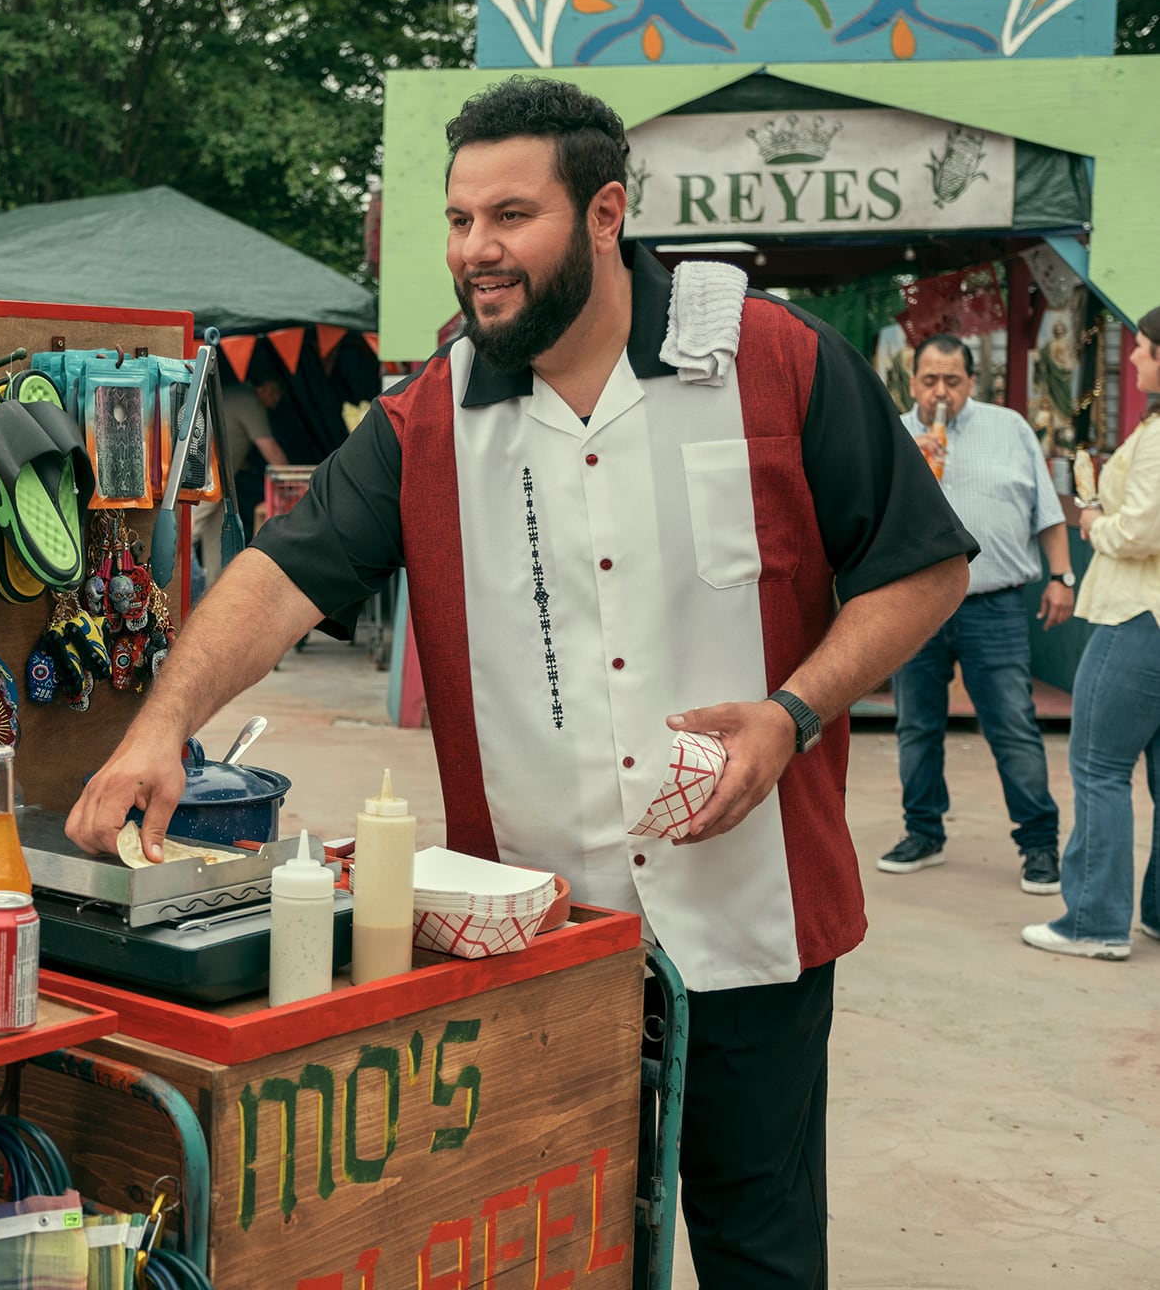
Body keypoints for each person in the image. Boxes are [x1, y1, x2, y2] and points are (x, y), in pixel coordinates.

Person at [67, 77, 973, 1289]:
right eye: (458, 220)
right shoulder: (429, 416)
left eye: (510, 216)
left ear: (606, 213)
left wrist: (791, 712)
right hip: (531, 940)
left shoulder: (769, 360)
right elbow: (280, 576)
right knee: (545, 1243)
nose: (475, 252)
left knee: (761, 1252)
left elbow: (924, 568)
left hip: (753, 925)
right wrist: (161, 726)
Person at [877, 334, 1074, 893]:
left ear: (970, 382)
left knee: (1012, 725)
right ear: (913, 382)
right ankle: (923, 832)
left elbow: (1046, 509)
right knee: (917, 724)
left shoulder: (1009, 427)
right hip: (913, 605)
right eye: (930, 380)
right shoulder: (892, 432)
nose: (941, 392)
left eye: (953, 381)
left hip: (995, 603)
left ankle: (1038, 845)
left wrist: (1062, 576)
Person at [1023, 306, 1160, 960]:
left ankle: (1096, 922)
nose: (1131, 360)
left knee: (1099, 767)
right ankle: (1154, 913)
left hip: (1136, 614)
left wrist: (1092, 521)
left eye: (1142, 349)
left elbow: (1139, 532)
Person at [191, 373, 289, 581]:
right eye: (275, 396)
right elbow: (271, 450)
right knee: (191, 530)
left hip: (215, 476)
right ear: (266, 389)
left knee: (216, 539)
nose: (275, 403)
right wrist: (291, 478)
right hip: (209, 476)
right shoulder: (251, 403)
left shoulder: (236, 394)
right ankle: (166, 585)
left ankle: (212, 593)